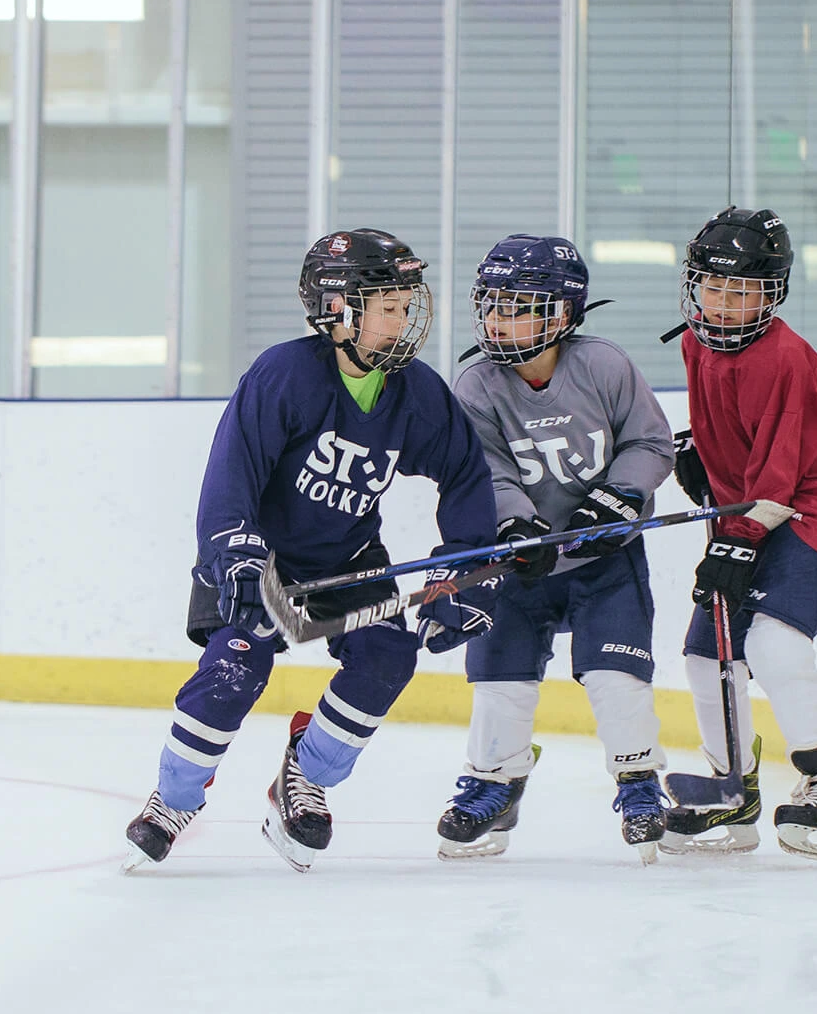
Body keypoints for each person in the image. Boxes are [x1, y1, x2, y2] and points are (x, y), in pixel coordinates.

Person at [122, 229, 499, 873]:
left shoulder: (415, 392)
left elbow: (465, 474)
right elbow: (229, 478)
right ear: (338, 309)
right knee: (233, 669)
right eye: (389, 307)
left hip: (350, 558)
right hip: (258, 560)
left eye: (407, 306)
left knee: (387, 657)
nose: (403, 321)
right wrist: (234, 555)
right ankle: (174, 799)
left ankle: (304, 776)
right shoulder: (284, 375)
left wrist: (462, 573)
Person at [437, 234, 676, 862]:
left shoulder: (603, 366)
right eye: (490, 304)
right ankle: (495, 781)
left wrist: (621, 497)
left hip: (605, 557)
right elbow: (484, 472)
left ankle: (639, 778)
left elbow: (651, 443)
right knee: (499, 681)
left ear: (561, 314)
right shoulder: (477, 386)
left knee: (616, 676)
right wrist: (516, 527)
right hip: (521, 565)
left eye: (515, 305)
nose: (496, 319)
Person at [662, 207, 817, 862]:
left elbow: (779, 469)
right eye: (712, 288)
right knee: (704, 655)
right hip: (746, 519)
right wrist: (700, 452)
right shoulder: (695, 344)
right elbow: (735, 439)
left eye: (740, 291)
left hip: (812, 513)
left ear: (769, 293)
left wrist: (740, 532)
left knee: (773, 643)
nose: (721, 303)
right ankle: (732, 789)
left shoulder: (786, 357)